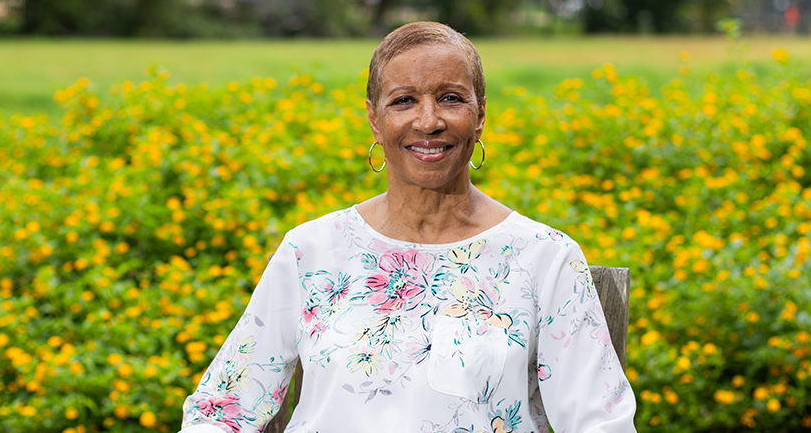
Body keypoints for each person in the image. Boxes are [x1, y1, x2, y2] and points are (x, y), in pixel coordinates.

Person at [179, 21, 637, 433]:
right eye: (403, 101)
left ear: (479, 117)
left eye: (451, 98)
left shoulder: (545, 257)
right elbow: (223, 411)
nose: (428, 121)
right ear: (374, 120)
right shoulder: (310, 251)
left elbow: (599, 422)